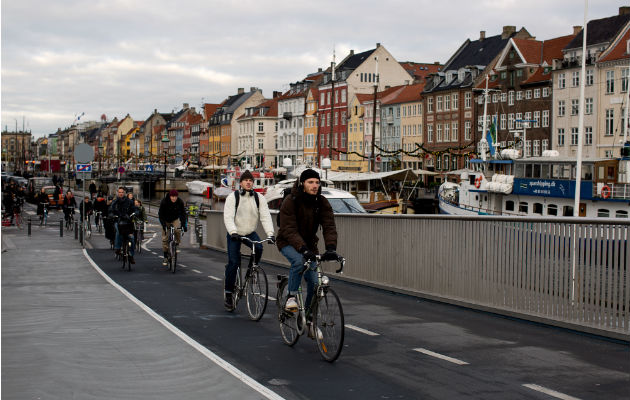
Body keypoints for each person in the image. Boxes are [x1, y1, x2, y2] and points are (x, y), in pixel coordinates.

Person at [276, 169, 338, 319]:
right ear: (302, 183)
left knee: (315, 282)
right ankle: (291, 298)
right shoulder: (291, 201)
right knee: (298, 262)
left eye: (317, 182)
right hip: (287, 241)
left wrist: (331, 248)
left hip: (309, 245)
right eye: (310, 182)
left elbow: (329, 225)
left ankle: (309, 316)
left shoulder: (321, 201)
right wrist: (303, 249)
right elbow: (289, 230)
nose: (315, 185)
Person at [222, 170, 275, 310]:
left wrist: (270, 234)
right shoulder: (233, 197)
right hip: (235, 232)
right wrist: (233, 232)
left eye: (250, 180)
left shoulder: (259, 198)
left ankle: (251, 272)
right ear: (241, 183)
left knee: (258, 248)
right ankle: (228, 293)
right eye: (246, 180)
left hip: (250, 232)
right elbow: (228, 216)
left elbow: (265, 216)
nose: (248, 182)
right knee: (233, 263)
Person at [158, 189, 187, 266]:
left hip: (175, 219)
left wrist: (184, 225)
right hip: (165, 220)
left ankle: (177, 243)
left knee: (177, 230)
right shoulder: (164, 202)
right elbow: (160, 215)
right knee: (165, 239)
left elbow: (183, 214)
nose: (174, 198)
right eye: (172, 197)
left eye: (175, 197)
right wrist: (163, 225)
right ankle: (165, 257)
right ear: (170, 196)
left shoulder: (180, 202)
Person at [108, 187, 137, 263]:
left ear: (124, 193)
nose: (121, 193)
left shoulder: (129, 202)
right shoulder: (115, 202)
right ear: (118, 193)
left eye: (122, 192)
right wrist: (112, 215)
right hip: (118, 221)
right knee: (118, 232)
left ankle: (131, 255)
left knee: (132, 238)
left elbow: (134, 210)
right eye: (119, 192)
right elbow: (111, 210)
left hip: (128, 222)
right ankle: (117, 248)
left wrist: (134, 214)